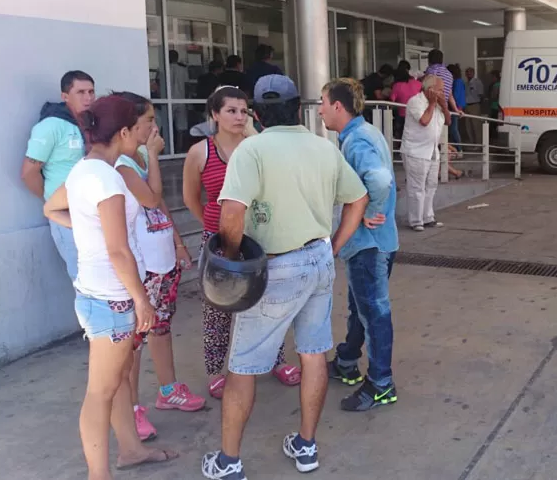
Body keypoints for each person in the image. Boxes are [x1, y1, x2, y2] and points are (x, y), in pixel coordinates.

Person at [201, 74, 368, 479]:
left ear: (257, 113)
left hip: (274, 267)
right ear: (299, 110)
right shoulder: (324, 148)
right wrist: (332, 246)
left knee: (243, 365)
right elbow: (358, 197)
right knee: (313, 354)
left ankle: (228, 462)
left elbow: (232, 213)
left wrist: (229, 263)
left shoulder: (251, 150)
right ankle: (306, 447)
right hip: (317, 260)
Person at [43, 95, 178, 478]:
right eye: (143, 125)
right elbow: (119, 251)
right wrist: (142, 301)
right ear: (123, 131)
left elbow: (52, 209)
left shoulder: (85, 169)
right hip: (113, 299)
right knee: (100, 393)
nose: (148, 132)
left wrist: (89, 232)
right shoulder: (107, 179)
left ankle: (131, 449)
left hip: (95, 293)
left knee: (115, 381)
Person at [182, 86, 300, 400]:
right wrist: (212, 224)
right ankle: (215, 372)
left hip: (256, 239)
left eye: (243, 110)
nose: (238, 116)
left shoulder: (257, 147)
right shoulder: (201, 152)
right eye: (231, 110)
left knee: (267, 303)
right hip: (218, 242)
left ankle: (276, 360)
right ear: (215, 115)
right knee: (217, 311)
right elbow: (191, 197)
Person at [110, 92, 203, 442]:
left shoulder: (138, 160)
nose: (154, 126)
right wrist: (152, 155)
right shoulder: (122, 165)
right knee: (133, 343)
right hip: (143, 267)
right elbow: (149, 197)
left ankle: (168, 389)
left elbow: (160, 203)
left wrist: (178, 242)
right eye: (148, 120)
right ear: (127, 128)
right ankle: (131, 409)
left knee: (161, 329)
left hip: (163, 262)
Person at [319, 78, 400, 411]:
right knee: (361, 309)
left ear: (338, 106)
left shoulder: (355, 141)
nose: (320, 109)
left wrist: (371, 210)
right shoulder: (364, 132)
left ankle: (381, 384)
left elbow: (379, 180)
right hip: (373, 244)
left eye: (323, 102)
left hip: (370, 246)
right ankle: (348, 361)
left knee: (374, 313)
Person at [21, 70, 95, 280]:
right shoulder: (51, 126)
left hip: (94, 211)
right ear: (65, 96)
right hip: (67, 214)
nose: (88, 97)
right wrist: (53, 201)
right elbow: (29, 172)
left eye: (91, 91)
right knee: (84, 281)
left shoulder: (91, 123)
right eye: (80, 92)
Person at [403, 74, 449, 232]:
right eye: (440, 90)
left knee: (431, 185)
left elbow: (448, 121)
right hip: (416, 151)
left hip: (432, 151)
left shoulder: (438, 105)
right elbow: (424, 121)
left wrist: (443, 105)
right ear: (430, 90)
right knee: (417, 188)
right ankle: (416, 220)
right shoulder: (416, 101)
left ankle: (428, 217)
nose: (443, 93)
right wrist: (431, 103)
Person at [389, 68, 422, 141]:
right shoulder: (418, 84)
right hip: (417, 114)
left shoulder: (396, 85)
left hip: (402, 115)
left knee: (401, 135)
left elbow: (392, 101)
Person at [424, 49, 461, 113]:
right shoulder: (448, 73)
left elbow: (427, 89)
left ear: (429, 59)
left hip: (433, 108)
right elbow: (450, 95)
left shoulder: (431, 70)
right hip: (443, 109)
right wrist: (456, 109)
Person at [448, 64, 465, 148]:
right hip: (456, 106)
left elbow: (455, 95)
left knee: (453, 129)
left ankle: (459, 148)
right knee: (453, 129)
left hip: (456, 107)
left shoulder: (457, 81)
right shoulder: (458, 81)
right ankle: (456, 148)